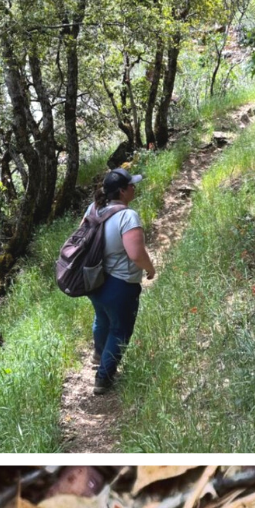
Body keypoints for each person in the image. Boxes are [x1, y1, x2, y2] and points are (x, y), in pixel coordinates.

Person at [86, 167, 156, 394]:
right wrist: (150, 269)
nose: (134, 187)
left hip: (94, 280)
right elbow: (136, 254)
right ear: (123, 191)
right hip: (120, 283)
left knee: (102, 318)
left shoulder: (94, 209)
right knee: (120, 330)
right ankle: (103, 379)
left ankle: (99, 354)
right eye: (131, 184)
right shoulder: (128, 216)